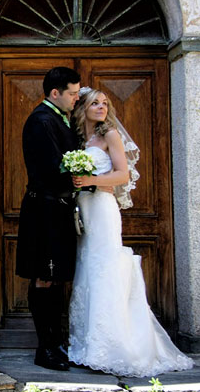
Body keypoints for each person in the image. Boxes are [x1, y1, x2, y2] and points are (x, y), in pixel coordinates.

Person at [68, 87, 194, 377]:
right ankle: (87, 345)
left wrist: (90, 179)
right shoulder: (78, 138)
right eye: (94, 103)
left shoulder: (110, 135)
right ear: (83, 107)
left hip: (102, 208)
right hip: (83, 209)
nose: (101, 107)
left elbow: (122, 174)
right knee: (87, 267)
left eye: (105, 103)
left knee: (105, 268)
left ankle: (112, 345)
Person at [16, 66, 81, 371]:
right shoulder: (42, 120)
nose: (76, 99)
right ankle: (45, 349)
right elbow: (54, 167)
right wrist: (85, 174)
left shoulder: (59, 118)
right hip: (44, 209)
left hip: (57, 209)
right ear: (55, 93)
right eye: (73, 93)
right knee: (44, 277)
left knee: (54, 279)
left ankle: (55, 344)